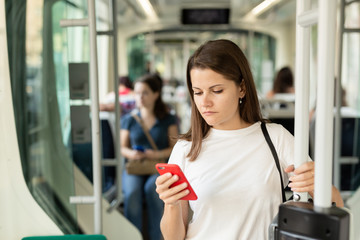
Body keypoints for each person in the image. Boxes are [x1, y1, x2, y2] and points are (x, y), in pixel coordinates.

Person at [155, 39, 344, 240]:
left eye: (217, 90)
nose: (205, 102)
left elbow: (337, 207)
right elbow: (172, 238)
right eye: (197, 92)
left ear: (242, 88)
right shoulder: (186, 149)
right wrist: (171, 203)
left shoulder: (275, 137)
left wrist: (316, 182)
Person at [120, 73, 178, 240]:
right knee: (132, 192)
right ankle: (133, 236)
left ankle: (158, 236)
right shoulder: (129, 119)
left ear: (155, 94)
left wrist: (156, 153)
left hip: (158, 166)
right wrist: (134, 153)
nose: (140, 97)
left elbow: (174, 148)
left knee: (152, 190)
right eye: (137, 93)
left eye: (145, 92)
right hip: (135, 166)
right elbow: (123, 148)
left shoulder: (167, 119)